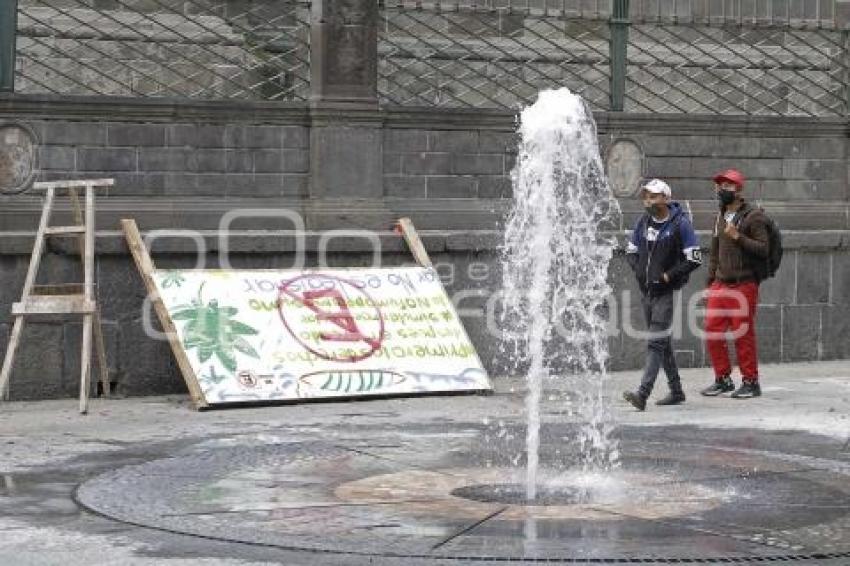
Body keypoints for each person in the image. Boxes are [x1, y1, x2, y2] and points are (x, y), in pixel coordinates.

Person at [623, 178, 702, 411]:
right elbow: (631, 250)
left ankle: (642, 394)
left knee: (655, 342)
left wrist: (669, 276)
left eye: (654, 196)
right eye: (646, 196)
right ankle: (676, 391)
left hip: (665, 293)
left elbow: (694, 258)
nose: (648, 200)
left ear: (666, 199)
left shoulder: (680, 224)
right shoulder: (643, 222)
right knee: (663, 342)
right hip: (646, 291)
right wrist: (638, 270)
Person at [701, 169, 768, 399]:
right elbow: (714, 252)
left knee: (743, 333)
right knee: (712, 330)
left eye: (727, 186)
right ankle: (723, 379)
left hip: (744, 283)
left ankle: (751, 381)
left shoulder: (754, 216)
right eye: (719, 186)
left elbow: (763, 249)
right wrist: (710, 282)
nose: (722, 190)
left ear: (739, 190)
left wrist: (738, 236)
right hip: (721, 283)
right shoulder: (720, 216)